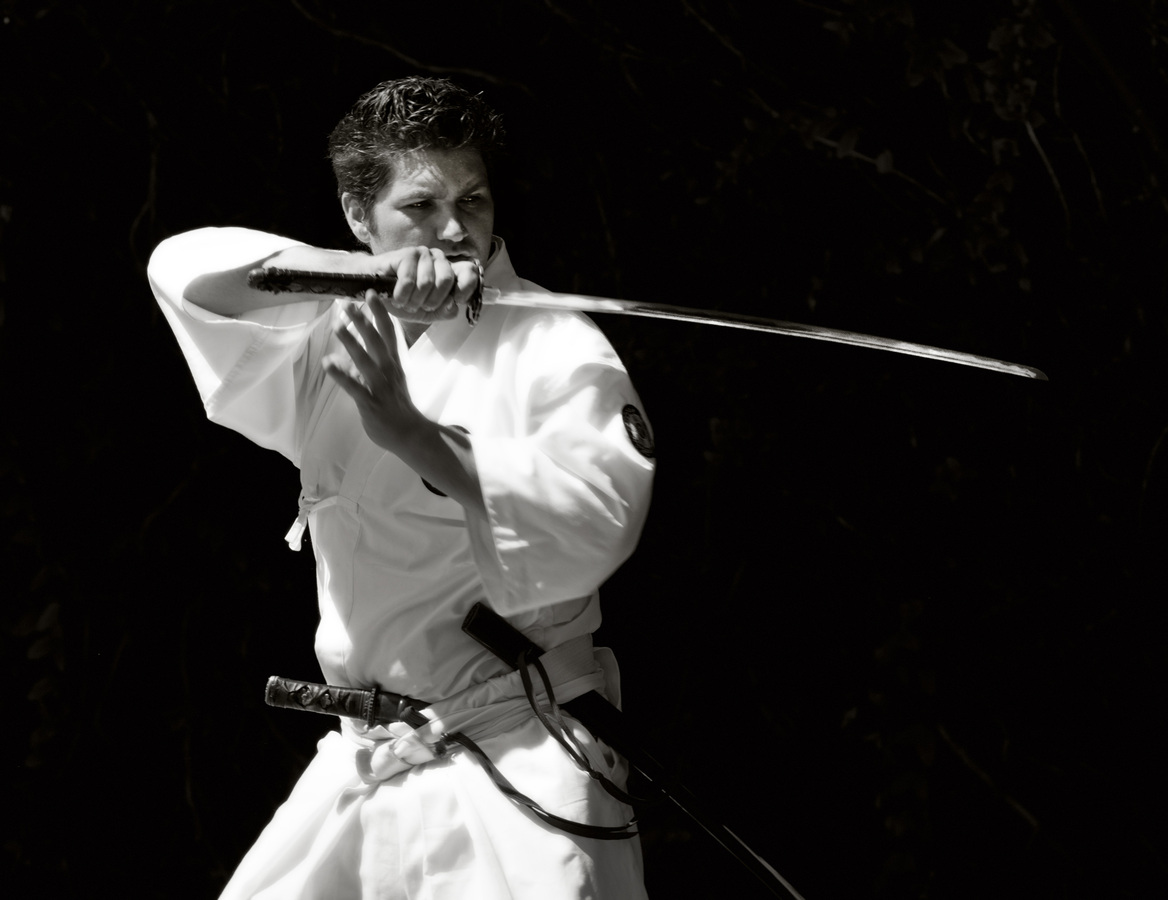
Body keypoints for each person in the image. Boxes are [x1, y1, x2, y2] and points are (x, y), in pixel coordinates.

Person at [148, 77, 655, 899]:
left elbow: (597, 519)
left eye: (474, 201)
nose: (455, 232)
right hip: (370, 758)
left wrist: (412, 433)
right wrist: (358, 275)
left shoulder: (555, 341)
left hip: (523, 755)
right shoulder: (335, 331)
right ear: (359, 215)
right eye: (421, 207)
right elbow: (182, 270)